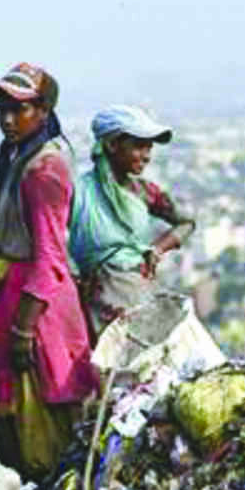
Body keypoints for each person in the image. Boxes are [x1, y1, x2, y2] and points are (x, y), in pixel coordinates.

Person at [0, 63, 98, 481]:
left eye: (20, 109)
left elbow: (50, 255)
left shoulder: (44, 169)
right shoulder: (19, 158)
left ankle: (52, 489)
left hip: (37, 305)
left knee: (39, 411)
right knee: (12, 414)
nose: (7, 118)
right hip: (16, 296)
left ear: (44, 110)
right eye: (2, 109)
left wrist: (24, 328)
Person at [68, 105, 196, 340]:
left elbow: (186, 222)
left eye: (149, 147)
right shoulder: (77, 192)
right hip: (90, 300)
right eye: (139, 146)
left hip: (136, 294)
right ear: (112, 145)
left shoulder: (144, 192)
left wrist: (158, 249)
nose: (147, 156)